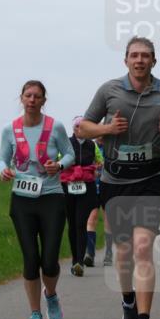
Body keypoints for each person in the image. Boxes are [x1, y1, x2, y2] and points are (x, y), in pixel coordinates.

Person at [79, 37, 160, 319]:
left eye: (145, 56)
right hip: (115, 180)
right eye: (134, 55)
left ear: (154, 61)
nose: (139, 60)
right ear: (125, 60)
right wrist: (105, 130)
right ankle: (128, 300)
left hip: (151, 178)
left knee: (143, 247)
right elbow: (83, 127)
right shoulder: (108, 91)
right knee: (124, 251)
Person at [0, 81, 74, 319]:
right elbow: (2, 159)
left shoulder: (56, 127)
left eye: (37, 96)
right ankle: (34, 314)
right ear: (21, 98)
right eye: (28, 95)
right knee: (31, 258)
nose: (32, 100)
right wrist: (3, 170)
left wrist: (60, 166)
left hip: (51, 197)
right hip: (22, 199)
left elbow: (70, 154)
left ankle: (50, 294)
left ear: (43, 100)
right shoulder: (10, 129)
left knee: (49, 260)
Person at [61, 116, 100, 277]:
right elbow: (58, 159)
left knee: (80, 223)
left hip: (86, 187)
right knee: (72, 224)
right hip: (68, 186)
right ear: (73, 128)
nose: (80, 129)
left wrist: (97, 166)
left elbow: (100, 160)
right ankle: (74, 260)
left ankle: (79, 262)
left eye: (83, 126)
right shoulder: (66, 143)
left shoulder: (92, 145)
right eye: (77, 126)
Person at [83, 136, 110, 269]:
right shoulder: (89, 146)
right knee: (91, 220)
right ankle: (90, 254)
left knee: (108, 221)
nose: (100, 135)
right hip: (92, 186)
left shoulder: (111, 146)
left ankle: (108, 254)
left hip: (108, 186)